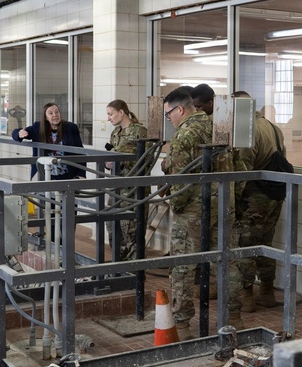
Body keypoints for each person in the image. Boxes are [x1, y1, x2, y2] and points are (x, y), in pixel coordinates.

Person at [161, 87, 239, 338]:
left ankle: (182, 326)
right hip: (223, 204)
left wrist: (177, 205)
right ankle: (234, 318)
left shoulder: (184, 134)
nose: (169, 120)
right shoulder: (216, 125)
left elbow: (180, 180)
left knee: (182, 265)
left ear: (180, 110)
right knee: (227, 261)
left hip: (194, 209)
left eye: (168, 114)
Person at [231, 90, 286, 310]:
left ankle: (246, 297)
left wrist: (233, 200)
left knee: (246, 245)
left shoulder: (246, 129)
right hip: (274, 194)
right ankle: (266, 292)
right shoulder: (273, 126)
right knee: (265, 244)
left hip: (253, 197)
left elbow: (243, 169)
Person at [105, 99, 148, 261]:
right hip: (116, 188)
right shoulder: (116, 133)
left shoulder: (139, 132)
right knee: (113, 227)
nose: (109, 118)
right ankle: (119, 264)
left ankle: (134, 272)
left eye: (111, 114)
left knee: (132, 232)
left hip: (133, 190)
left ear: (121, 112)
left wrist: (121, 161)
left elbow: (146, 160)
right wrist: (109, 164)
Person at [12, 102, 85, 180]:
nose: (55, 115)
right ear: (46, 117)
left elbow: (80, 151)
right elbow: (15, 133)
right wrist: (19, 133)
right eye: (50, 113)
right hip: (44, 174)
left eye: (57, 112)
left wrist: (81, 174)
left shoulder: (71, 127)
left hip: (68, 175)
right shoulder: (38, 127)